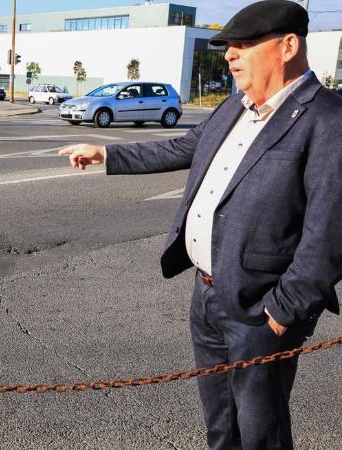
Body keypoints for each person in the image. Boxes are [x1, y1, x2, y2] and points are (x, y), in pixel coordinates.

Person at [59, 1, 342, 448]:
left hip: (260, 308)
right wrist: (106, 154)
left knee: (261, 433)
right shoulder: (235, 108)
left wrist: (282, 312)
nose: (230, 55)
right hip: (207, 295)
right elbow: (180, 148)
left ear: (288, 46)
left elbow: (329, 233)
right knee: (221, 426)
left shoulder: (328, 119)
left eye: (245, 44)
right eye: (229, 47)